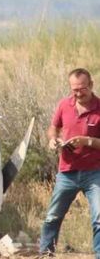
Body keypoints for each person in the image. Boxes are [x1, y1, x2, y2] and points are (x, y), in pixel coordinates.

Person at [40, 68, 100, 255]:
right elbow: (53, 127)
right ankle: (45, 254)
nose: (78, 93)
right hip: (67, 172)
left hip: (94, 173)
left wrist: (86, 141)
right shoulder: (64, 105)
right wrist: (53, 140)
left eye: (82, 88)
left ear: (91, 85)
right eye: (74, 89)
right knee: (52, 217)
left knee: (99, 219)